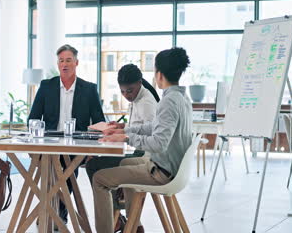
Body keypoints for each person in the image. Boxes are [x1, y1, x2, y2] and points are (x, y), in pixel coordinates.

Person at [92, 47, 192, 233]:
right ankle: (134, 226)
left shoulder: (168, 102)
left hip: (162, 172)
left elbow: (158, 143)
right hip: (171, 167)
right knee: (124, 162)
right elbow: (154, 127)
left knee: (99, 178)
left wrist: (128, 137)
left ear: (159, 74)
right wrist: (125, 129)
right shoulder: (181, 98)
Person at [28, 44, 105, 223]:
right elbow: (32, 118)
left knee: (70, 171)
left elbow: (99, 122)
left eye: (68, 60)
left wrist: (94, 148)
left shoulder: (89, 89)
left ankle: (56, 210)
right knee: (49, 170)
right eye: (61, 60)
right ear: (58, 64)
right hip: (48, 143)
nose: (64, 64)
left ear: (76, 63)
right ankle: (53, 211)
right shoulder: (47, 86)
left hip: (76, 145)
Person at [85, 64, 159, 231]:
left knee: (93, 165)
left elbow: (150, 134)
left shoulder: (146, 102)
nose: (126, 95)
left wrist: (124, 134)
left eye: (130, 91)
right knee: (94, 162)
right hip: (136, 150)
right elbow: (138, 126)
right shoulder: (137, 97)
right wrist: (120, 126)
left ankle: (115, 214)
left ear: (140, 82)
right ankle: (119, 213)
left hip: (143, 155)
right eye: (123, 91)